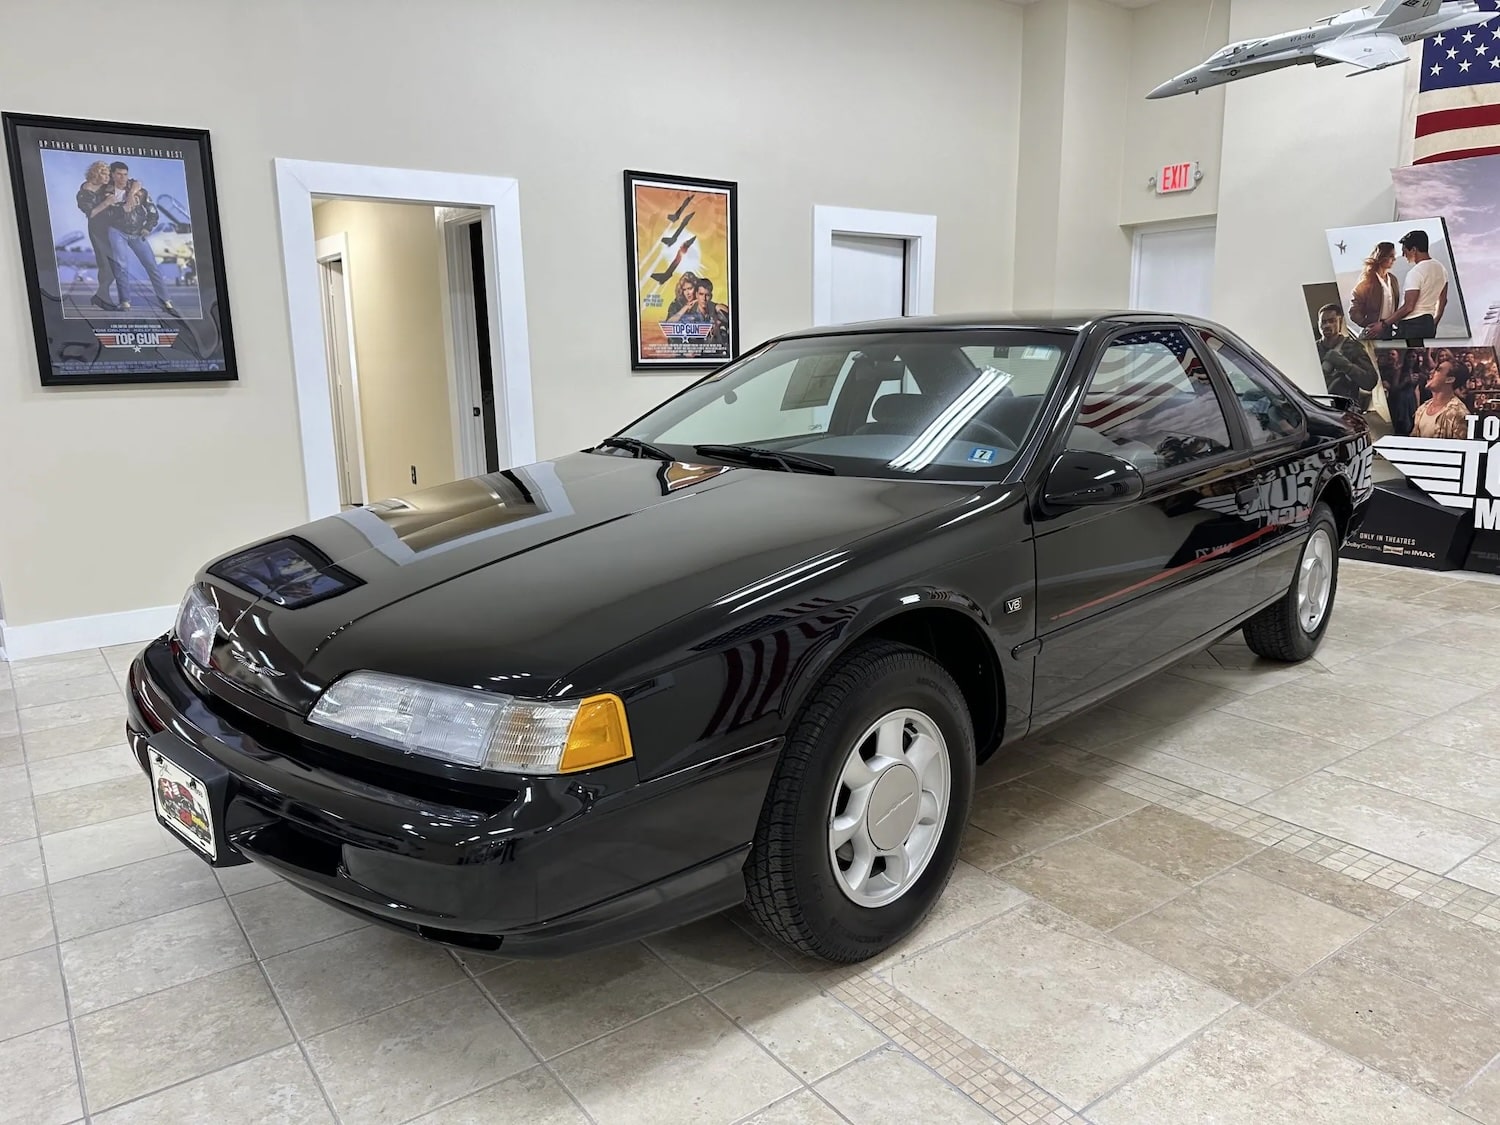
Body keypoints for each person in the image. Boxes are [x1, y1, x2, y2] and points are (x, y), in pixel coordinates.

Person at [104, 161, 173, 310]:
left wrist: (148, 228)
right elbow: (106, 215)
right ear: (112, 175)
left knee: (151, 265)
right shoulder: (106, 192)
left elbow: (153, 212)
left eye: (125, 174)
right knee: (121, 266)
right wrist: (124, 206)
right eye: (119, 174)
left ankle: (166, 300)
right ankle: (125, 302)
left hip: (137, 233)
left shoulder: (140, 191)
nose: (123, 178)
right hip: (117, 231)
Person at [1366, 230, 1448, 345]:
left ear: (1414, 249)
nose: (1404, 255)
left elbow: (1409, 306)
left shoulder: (1416, 272)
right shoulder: (1441, 269)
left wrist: (1383, 324)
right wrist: (1434, 323)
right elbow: (1443, 301)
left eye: (1404, 251)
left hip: (1412, 326)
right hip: (1428, 324)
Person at [74, 160, 120, 310]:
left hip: (113, 228)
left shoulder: (106, 185)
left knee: (115, 266)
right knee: (106, 265)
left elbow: (133, 182)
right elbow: (91, 213)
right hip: (98, 230)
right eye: (104, 174)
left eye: (108, 174)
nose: (108, 177)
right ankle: (102, 298)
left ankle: (100, 296)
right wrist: (107, 202)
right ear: (96, 174)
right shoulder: (85, 191)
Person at [1315, 304, 1378, 405]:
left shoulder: (1353, 348)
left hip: (1345, 408)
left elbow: (1370, 382)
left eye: (1332, 321)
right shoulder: (1313, 349)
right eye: (1323, 322)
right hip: (1318, 406)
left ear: (1340, 322)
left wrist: (1347, 366)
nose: (1327, 325)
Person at [1412, 353, 1472, 439]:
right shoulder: (1422, 409)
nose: (1431, 372)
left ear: (1450, 379)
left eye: (1438, 370)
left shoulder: (1459, 413)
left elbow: (1459, 449)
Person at [1348, 242, 1399, 333]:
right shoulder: (1366, 283)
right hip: (1374, 332)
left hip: (1389, 329)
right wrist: (1368, 325)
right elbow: (1353, 312)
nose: (1394, 259)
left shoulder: (1393, 280)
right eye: (1391, 256)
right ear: (1382, 256)